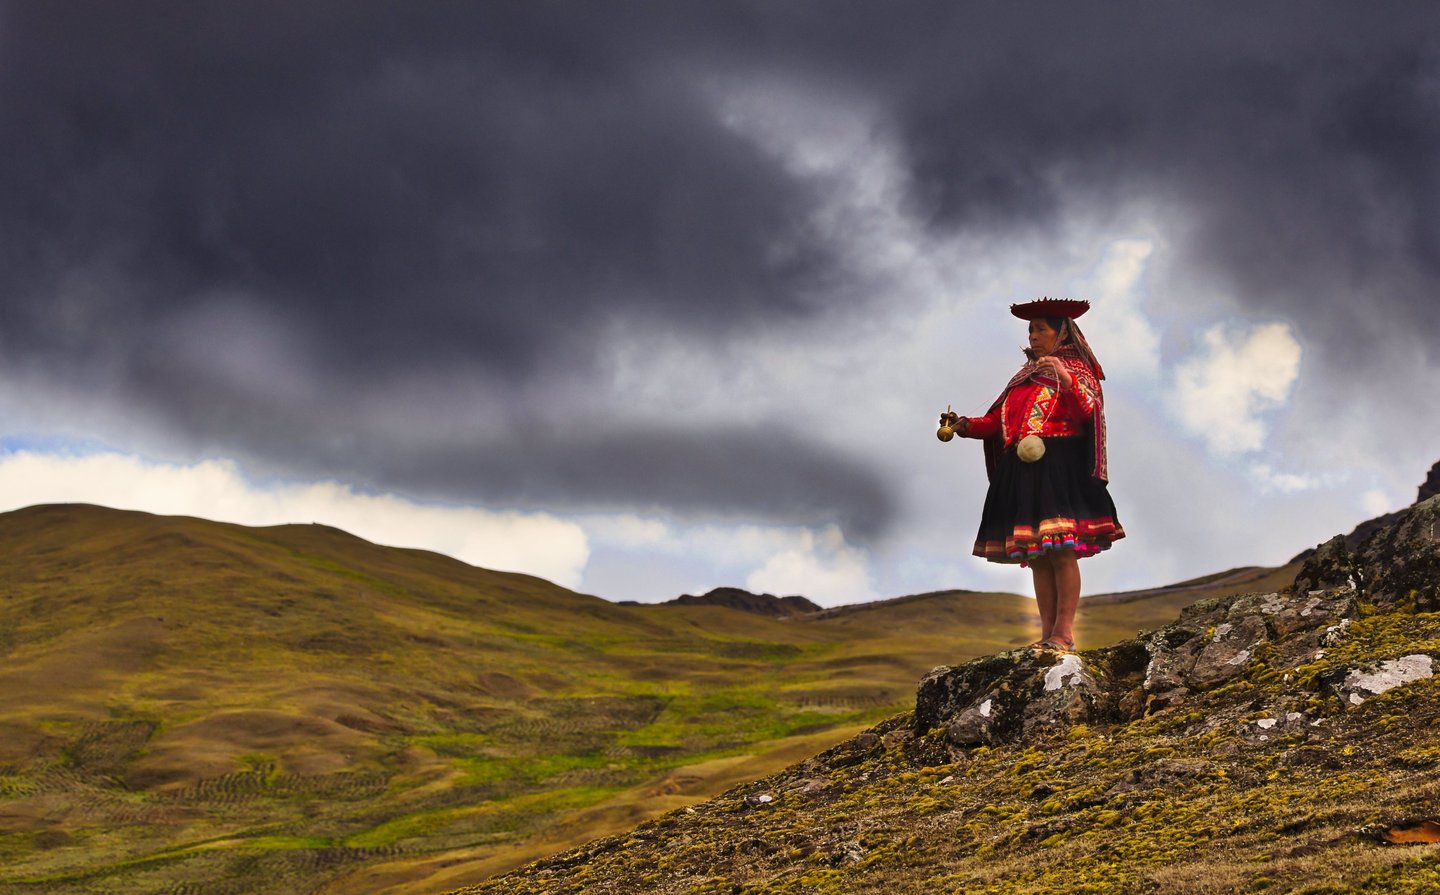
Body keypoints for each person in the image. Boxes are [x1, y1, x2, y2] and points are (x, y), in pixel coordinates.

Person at [939, 298, 1124, 652]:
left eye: (1041, 329)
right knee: (1038, 554)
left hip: (1061, 466)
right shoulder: (1023, 378)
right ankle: (1046, 635)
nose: (1033, 336)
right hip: (1023, 471)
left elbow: (1091, 413)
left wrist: (1066, 378)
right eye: (1031, 329)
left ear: (1062, 333)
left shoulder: (1078, 371)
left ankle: (1064, 633)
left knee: (1061, 550)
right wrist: (965, 426)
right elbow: (997, 421)